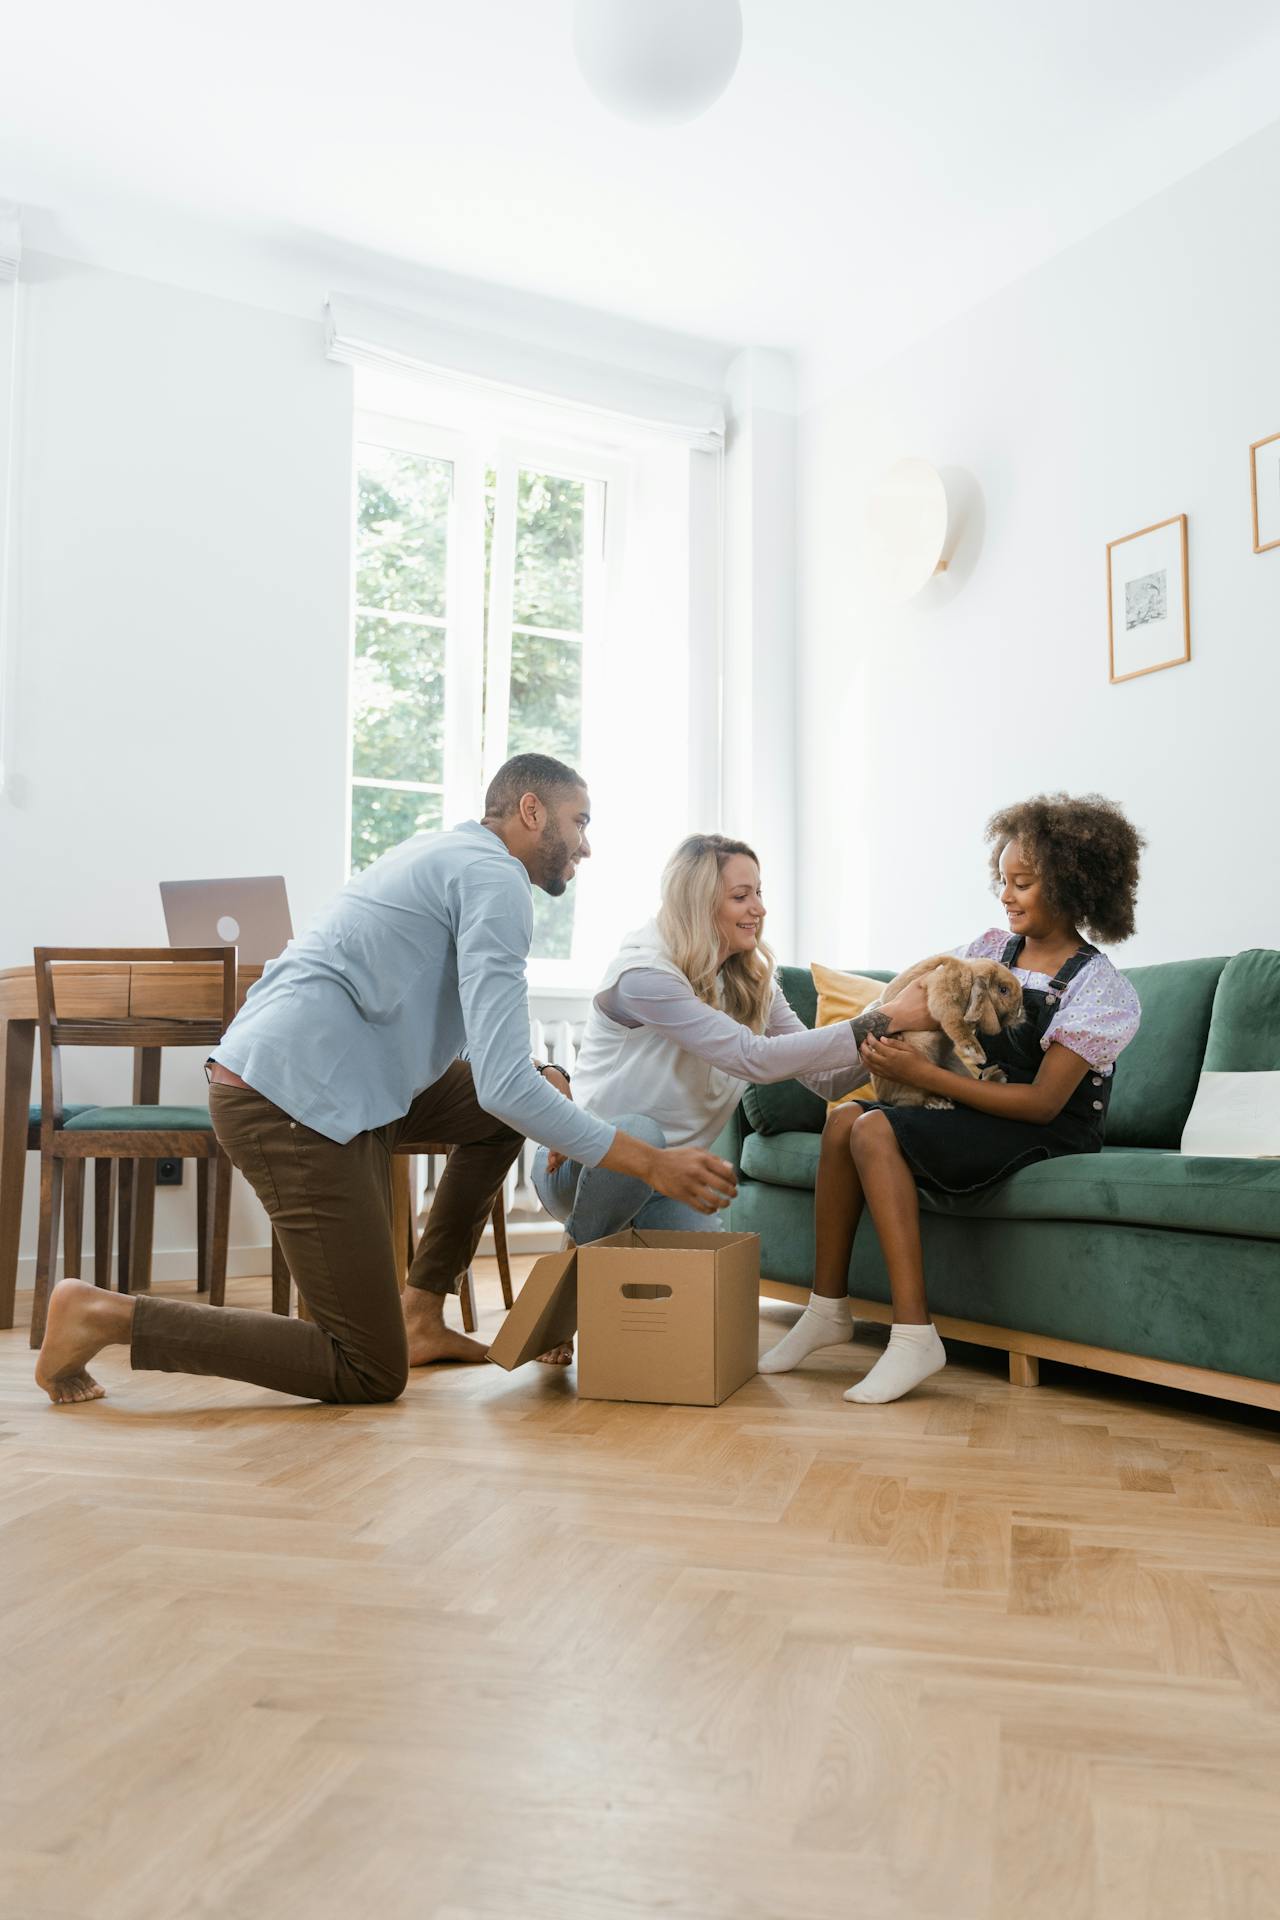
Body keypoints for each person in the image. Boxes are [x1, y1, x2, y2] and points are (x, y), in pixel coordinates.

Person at [35, 755, 738, 1407]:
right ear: (531, 810)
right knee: (366, 1368)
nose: (586, 845)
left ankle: (420, 1311)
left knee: (498, 1118)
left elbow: (498, 1060)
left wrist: (545, 1073)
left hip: (345, 1085)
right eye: (579, 822)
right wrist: (649, 1161)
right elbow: (501, 1085)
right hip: (288, 1102)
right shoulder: (494, 878)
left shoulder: (450, 854)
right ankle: (105, 1315)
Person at [760, 794, 1144, 1404]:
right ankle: (826, 1308)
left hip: (1046, 1130)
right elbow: (940, 1014)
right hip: (978, 1107)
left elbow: (1045, 1104)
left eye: (1023, 883)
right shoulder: (991, 949)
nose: (1007, 895)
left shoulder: (1102, 989)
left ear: (1075, 886)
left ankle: (915, 1336)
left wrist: (929, 1078)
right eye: (1003, 881)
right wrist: (892, 1047)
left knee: (874, 1130)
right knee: (843, 1121)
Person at [530, 832, 939, 1363]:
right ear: (700, 902)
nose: (759, 909)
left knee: (699, 1333)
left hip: (675, 1182)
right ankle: (566, 1289)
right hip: (586, 1166)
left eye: (759, 893)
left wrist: (900, 1040)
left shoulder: (751, 981)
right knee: (639, 1132)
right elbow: (753, 1059)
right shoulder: (644, 974)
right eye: (742, 896)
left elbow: (827, 1080)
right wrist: (884, 1016)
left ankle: (607, 1264)